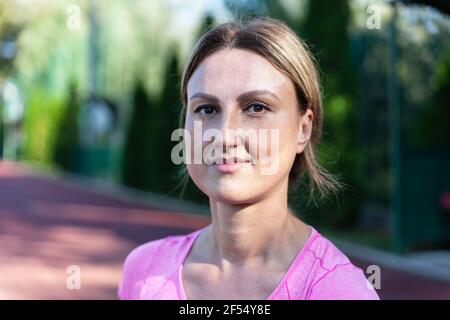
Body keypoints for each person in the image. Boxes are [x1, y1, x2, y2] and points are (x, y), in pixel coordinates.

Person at [118, 16, 380, 300]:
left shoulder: (339, 290)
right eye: (206, 109)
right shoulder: (143, 271)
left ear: (303, 129)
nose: (225, 135)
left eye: (256, 107)